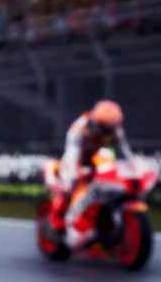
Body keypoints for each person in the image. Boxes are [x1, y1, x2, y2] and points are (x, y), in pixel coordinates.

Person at [53, 99, 135, 247]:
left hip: (96, 156)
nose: (108, 133)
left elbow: (126, 153)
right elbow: (71, 154)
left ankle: (99, 216)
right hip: (77, 158)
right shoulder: (80, 128)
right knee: (69, 184)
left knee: (110, 168)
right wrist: (75, 173)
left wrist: (134, 168)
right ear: (96, 123)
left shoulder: (115, 130)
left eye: (112, 129)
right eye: (105, 129)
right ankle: (65, 221)